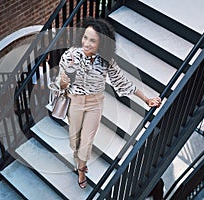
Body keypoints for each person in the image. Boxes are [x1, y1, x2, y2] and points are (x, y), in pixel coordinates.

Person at [55, 17, 162, 189]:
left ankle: (81, 170)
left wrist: (147, 99)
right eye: (85, 38)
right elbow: (60, 85)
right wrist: (64, 80)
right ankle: (79, 159)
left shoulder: (106, 61)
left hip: (94, 104)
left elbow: (122, 82)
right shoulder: (70, 55)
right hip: (74, 102)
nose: (87, 43)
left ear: (101, 43)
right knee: (74, 139)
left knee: (86, 141)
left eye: (92, 40)